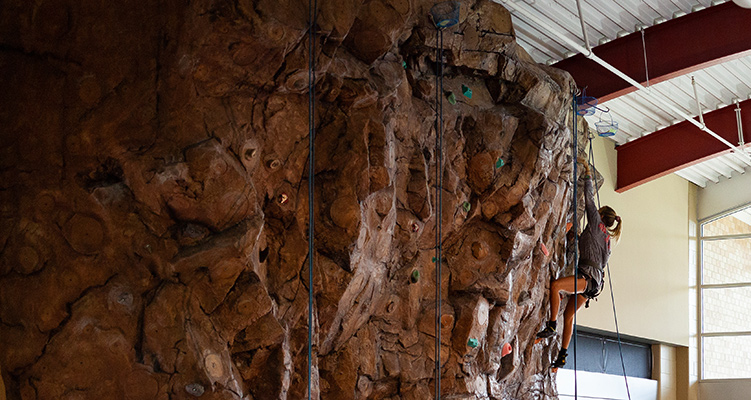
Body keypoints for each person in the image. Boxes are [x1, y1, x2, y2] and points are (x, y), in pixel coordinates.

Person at [535, 157, 622, 369]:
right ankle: (562, 357)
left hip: (587, 278)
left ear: (601, 216)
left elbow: (588, 198)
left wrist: (586, 172)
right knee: (570, 314)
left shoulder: (596, 221)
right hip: (595, 283)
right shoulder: (608, 239)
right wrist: (574, 236)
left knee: (556, 286)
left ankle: (551, 326)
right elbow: (591, 251)